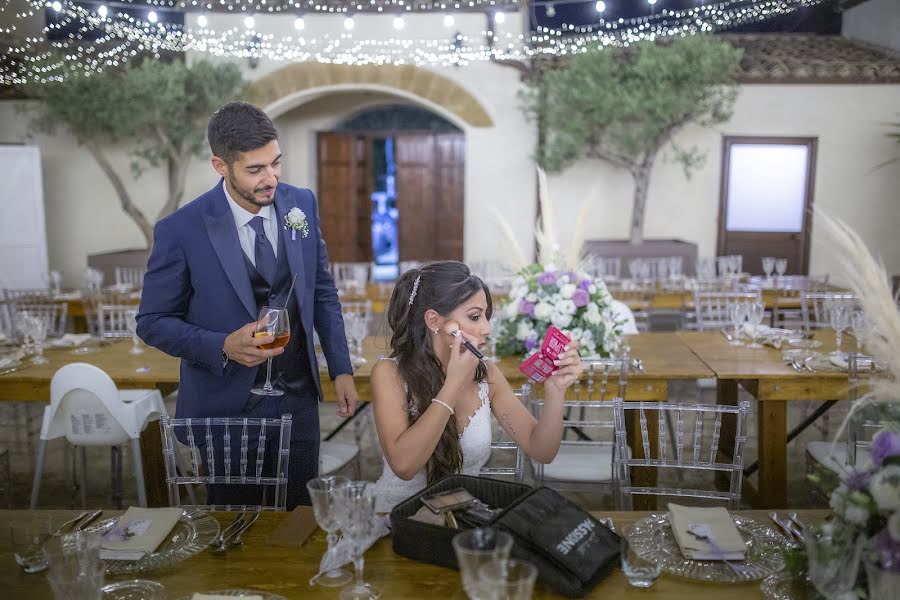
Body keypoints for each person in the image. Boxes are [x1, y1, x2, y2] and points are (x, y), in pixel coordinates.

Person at [136, 101, 358, 508]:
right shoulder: (180, 229)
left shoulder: (300, 204)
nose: (270, 178)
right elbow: (151, 322)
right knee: (236, 527)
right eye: (255, 170)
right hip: (226, 407)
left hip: (297, 399)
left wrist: (340, 368)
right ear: (221, 166)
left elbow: (322, 291)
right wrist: (222, 345)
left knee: (299, 523)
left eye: (275, 164)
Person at [368, 261, 583, 512]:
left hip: (464, 519)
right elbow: (404, 466)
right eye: (474, 316)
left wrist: (555, 391)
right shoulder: (389, 373)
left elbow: (542, 450)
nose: (487, 329)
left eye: (485, 316)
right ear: (434, 320)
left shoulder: (487, 373)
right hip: (399, 518)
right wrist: (453, 384)